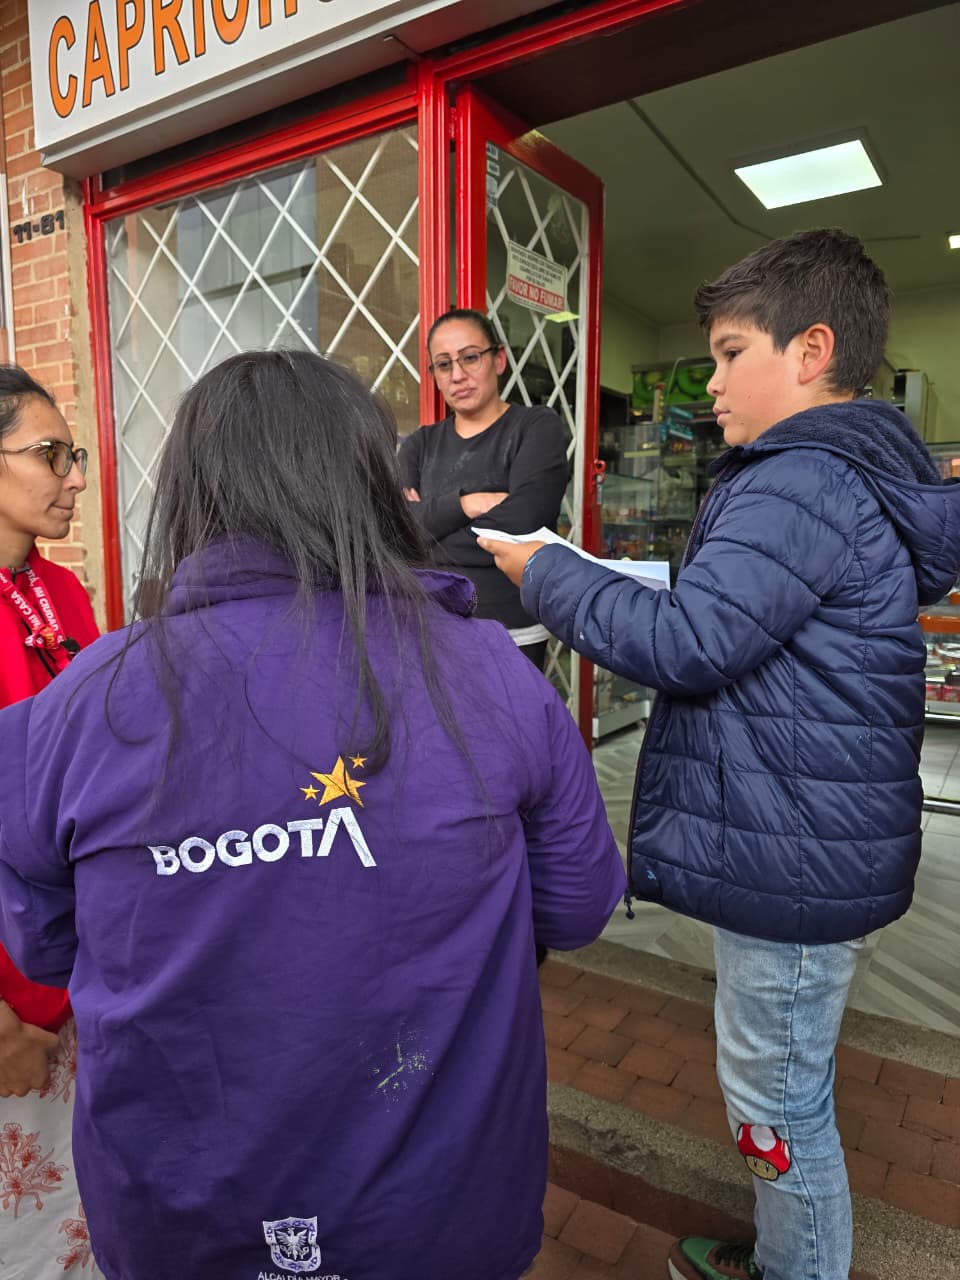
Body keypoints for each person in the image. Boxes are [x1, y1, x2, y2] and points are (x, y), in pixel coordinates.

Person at [0, 349, 625, 1280]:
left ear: (193, 493)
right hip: (442, 1209)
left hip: (181, 1214)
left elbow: (50, 944)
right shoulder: (488, 668)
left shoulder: (78, 701)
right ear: (372, 483)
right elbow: (575, 905)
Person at [478, 228, 960, 1280]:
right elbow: (728, 618)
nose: (712, 384)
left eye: (732, 352)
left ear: (812, 350)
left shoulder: (802, 479)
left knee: (777, 1104)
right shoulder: (833, 473)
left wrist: (545, 572)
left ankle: (798, 1267)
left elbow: (687, 642)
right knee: (781, 1090)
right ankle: (786, 1253)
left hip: (795, 856)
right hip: (807, 840)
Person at [0, 365, 102, 1279]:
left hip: (79, 963)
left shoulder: (62, 592)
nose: (73, 477)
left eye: (74, 456)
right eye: (51, 455)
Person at [399, 307, 569, 672]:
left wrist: (428, 528)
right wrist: (468, 504)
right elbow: (396, 528)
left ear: (499, 359)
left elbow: (525, 522)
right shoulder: (419, 444)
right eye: (444, 364)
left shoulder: (535, 428)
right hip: (430, 625)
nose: (458, 375)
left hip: (512, 631)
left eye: (470, 357)